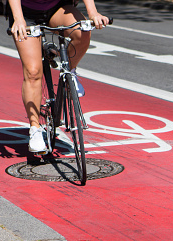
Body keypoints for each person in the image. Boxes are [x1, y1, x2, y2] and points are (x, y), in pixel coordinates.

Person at [7, 0, 110, 153]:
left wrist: (93, 12)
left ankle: (70, 70)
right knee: (33, 72)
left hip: (57, 7)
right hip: (25, 12)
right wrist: (19, 19)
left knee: (83, 31)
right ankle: (35, 130)